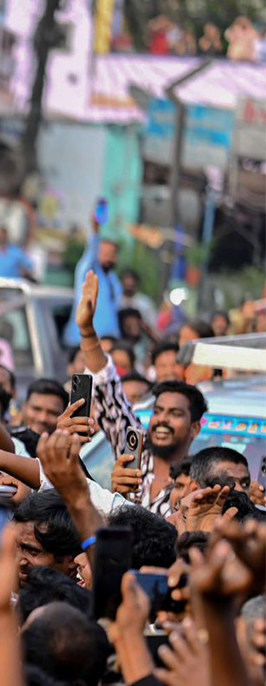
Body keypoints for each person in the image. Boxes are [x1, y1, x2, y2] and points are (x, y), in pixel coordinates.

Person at [77, 272, 206, 515]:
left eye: (175, 413)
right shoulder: (133, 456)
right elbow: (108, 390)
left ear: (194, 428)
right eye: (158, 411)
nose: (162, 420)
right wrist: (86, 330)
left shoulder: (199, 483)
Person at [63, 212, 121, 346]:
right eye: (105, 253)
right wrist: (95, 231)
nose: (108, 258)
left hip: (108, 343)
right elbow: (91, 250)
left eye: (112, 254)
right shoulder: (88, 272)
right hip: (82, 342)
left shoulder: (114, 281)